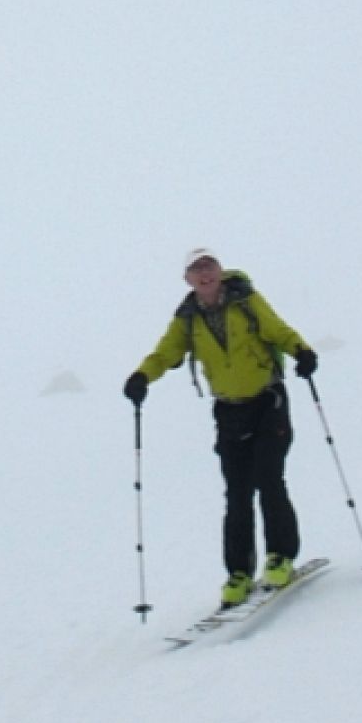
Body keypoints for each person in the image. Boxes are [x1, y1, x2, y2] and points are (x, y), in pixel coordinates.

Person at [124, 249, 319, 607]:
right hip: (229, 410)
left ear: (219, 270)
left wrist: (301, 352)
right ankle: (238, 573)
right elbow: (166, 353)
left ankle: (280, 556)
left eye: (209, 266)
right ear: (187, 279)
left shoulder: (246, 301)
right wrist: (141, 377)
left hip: (268, 401)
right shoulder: (187, 318)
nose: (205, 274)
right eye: (196, 270)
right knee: (237, 492)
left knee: (269, 478)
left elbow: (276, 329)